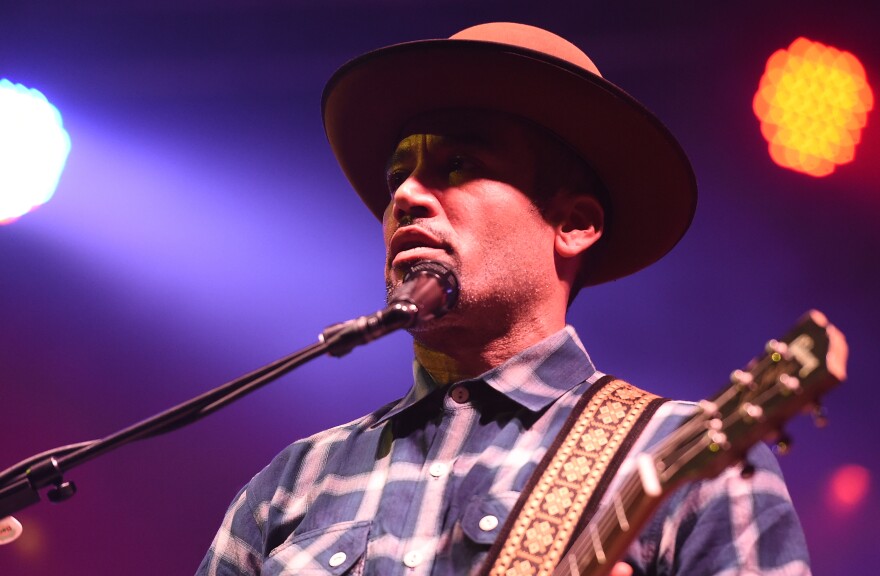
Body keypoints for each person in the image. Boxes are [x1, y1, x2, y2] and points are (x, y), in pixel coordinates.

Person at [197, 23, 811, 575]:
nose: (407, 194)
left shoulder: (697, 458)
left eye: (458, 163)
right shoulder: (291, 484)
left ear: (572, 224)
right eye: (397, 176)